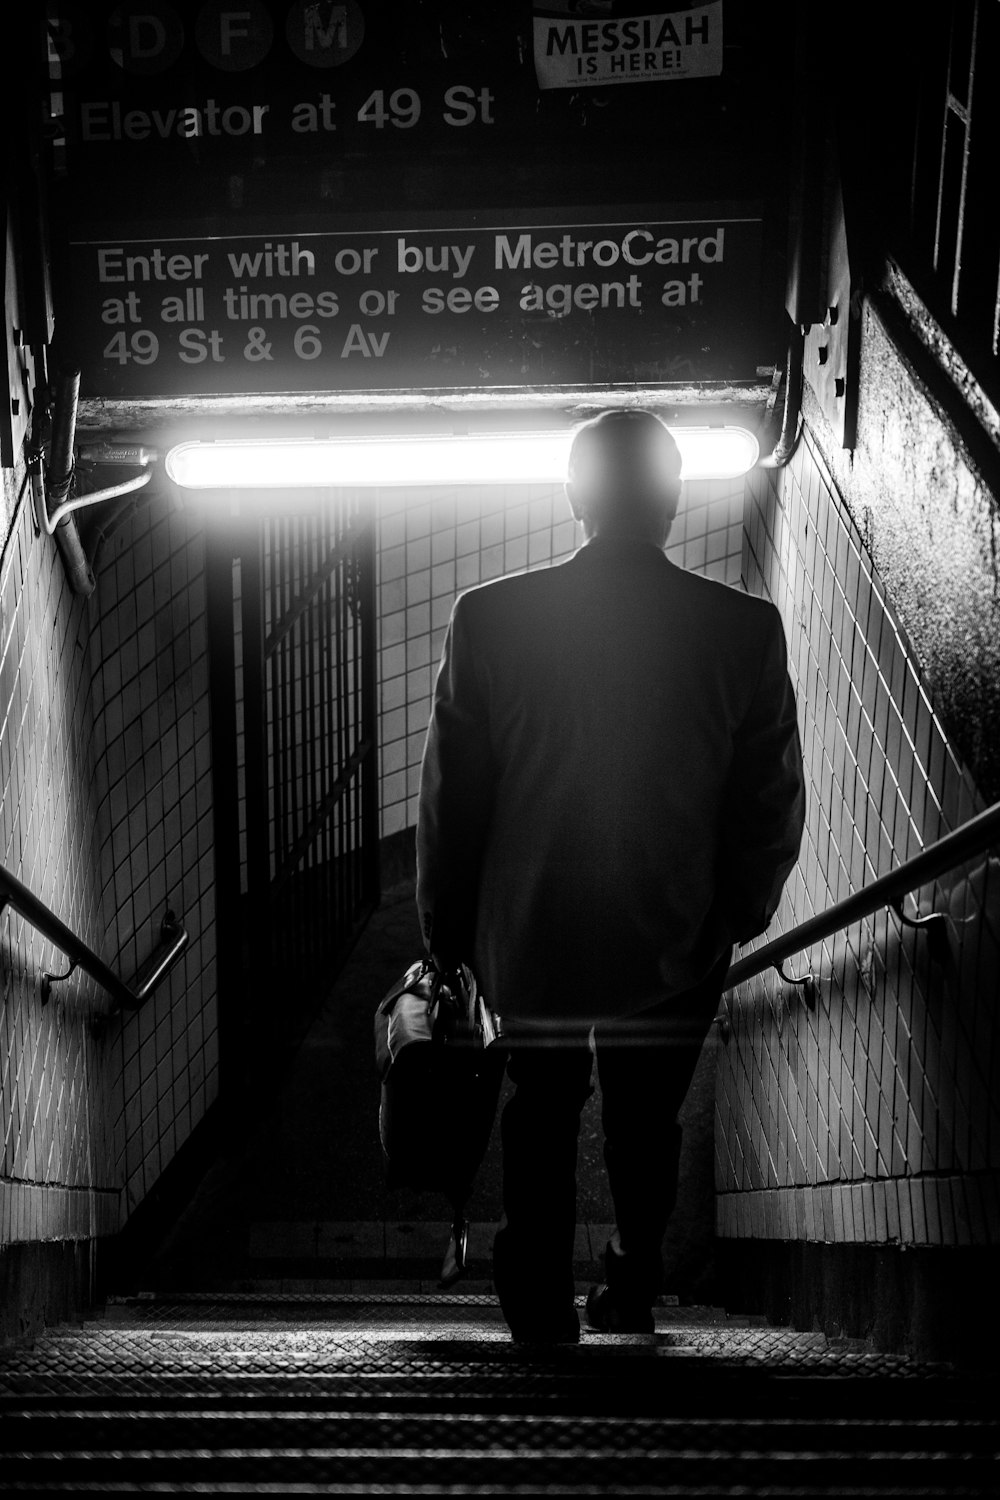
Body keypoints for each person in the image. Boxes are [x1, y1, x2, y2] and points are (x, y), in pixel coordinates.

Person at [416, 409, 805, 1343]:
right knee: (646, 1122)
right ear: (671, 500)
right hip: (673, 931)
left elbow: (452, 796)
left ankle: (538, 1300)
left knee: (541, 1107)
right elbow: (770, 795)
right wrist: (737, 913)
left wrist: (448, 930)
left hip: (534, 925)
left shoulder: (492, 618)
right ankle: (632, 1279)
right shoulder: (743, 631)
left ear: (576, 498)